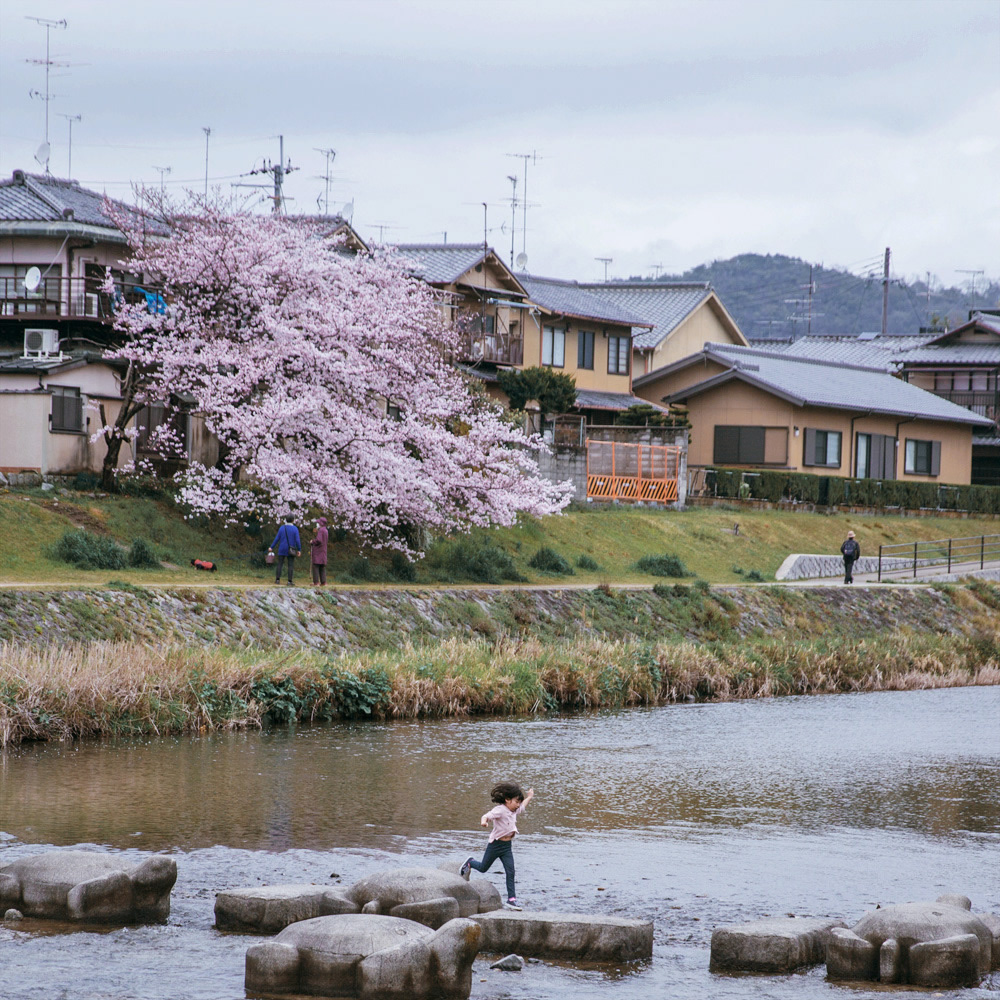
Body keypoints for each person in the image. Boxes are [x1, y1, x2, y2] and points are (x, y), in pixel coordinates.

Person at [460, 782, 534, 910]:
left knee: (511, 871)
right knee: (483, 868)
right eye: (516, 801)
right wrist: (484, 822)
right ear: (507, 800)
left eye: (519, 802)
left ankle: (511, 900)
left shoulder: (514, 810)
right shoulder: (500, 810)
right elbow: (487, 816)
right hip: (495, 845)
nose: (518, 805)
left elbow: (523, 806)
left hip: (507, 847)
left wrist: (529, 797)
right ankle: (471, 862)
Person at [269, 516, 301, 586]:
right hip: (291, 549)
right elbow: (297, 540)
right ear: (293, 520)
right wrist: (299, 549)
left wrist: (271, 547)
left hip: (282, 548)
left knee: (280, 564)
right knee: (290, 565)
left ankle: (277, 580)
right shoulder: (295, 529)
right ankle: (289, 581)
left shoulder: (282, 528)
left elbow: (277, 538)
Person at [311, 516, 329, 587]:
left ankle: (316, 582)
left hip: (318, 551)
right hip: (323, 550)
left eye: (318, 523)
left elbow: (319, 540)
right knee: (322, 567)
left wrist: (313, 541)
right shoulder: (326, 530)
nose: (317, 524)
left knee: (315, 565)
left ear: (321, 523)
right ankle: (323, 582)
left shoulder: (321, 530)